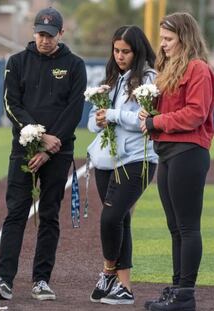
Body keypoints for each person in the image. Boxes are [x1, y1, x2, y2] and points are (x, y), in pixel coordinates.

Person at [0, 6, 86, 301]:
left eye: (51, 35)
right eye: (41, 34)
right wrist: (38, 138)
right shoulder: (16, 62)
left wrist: (51, 146)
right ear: (34, 32)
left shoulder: (75, 65)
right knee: (16, 212)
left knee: (49, 215)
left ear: (61, 34)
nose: (45, 39)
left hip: (60, 151)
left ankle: (42, 279)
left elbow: (74, 110)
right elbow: (11, 104)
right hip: (23, 150)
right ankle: (4, 278)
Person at [140, 12, 214, 311]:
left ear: (185, 39)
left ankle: (186, 295)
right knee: (175, 227)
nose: (164, 44)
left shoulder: (198, 69)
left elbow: (196, 113)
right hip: (168, 152)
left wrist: (157, 120)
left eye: (169, 39)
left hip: (189, 151)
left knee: (187, 227)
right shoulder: (168, 67)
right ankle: (176, 289)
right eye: (163, 39)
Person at [86, 25, 158, 305]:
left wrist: (113, 115)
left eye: (125, 51)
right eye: (116, 50)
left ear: (137, 51)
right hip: (107, 159)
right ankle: (124, 287)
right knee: (121, 221)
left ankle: (107, 272)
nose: (119, 56)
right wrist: (100, 119)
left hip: (138, 159)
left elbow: (145, 120)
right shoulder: (114, 78)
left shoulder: (150, 78)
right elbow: (93, 121)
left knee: (111, 218)